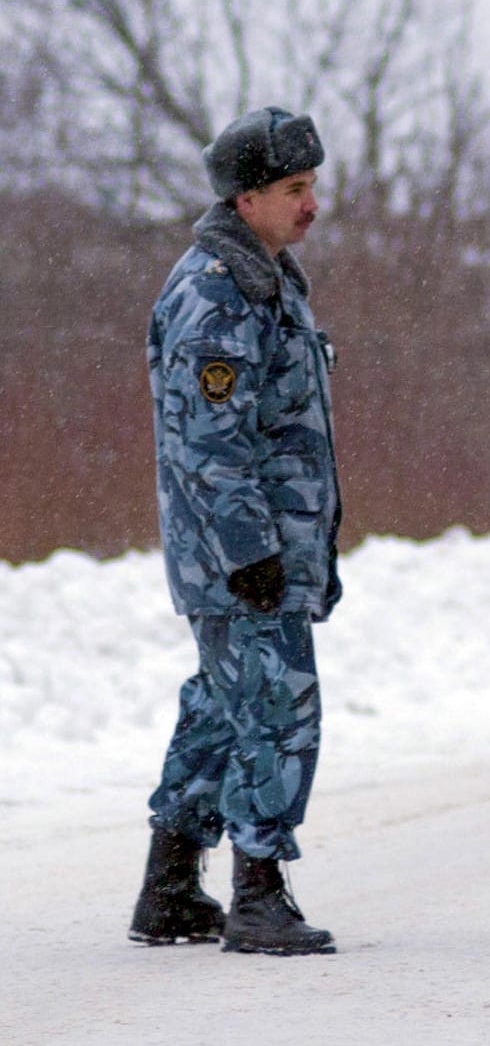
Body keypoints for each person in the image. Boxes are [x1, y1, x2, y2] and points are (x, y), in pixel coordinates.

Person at [130, 106, 341, 957]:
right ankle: (259, 891)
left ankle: (172, 887)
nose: (311, 204)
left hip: (254, 549)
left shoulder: (266, 277)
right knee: (276, 709)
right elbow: (207, 442)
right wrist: (250, 547)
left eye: (313, 186)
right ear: (246, 198)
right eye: (295, 189)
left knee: (223, 707)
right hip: (240, 555)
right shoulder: (218, 290)